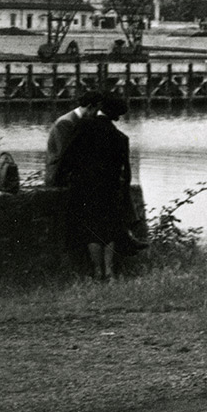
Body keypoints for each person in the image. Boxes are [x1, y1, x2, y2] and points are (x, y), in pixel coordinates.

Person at [60, 92, 133, 280]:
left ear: (100, 108)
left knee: (91, 230)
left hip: (84, 186)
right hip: (109, 187)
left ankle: (97, 271)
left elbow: (67, 157)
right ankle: (110, 272)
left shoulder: (83, 126)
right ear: (116, 116)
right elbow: (126, 171)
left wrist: (60, 178)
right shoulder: (120, 137)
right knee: (108, 230)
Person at [44, 92, 105, 184]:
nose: (97, 115)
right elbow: (65, 154)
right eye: (96, 111)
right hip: (58, 174)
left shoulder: (81, 121)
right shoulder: (65, 123)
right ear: (89, 107)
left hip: (70, 172)